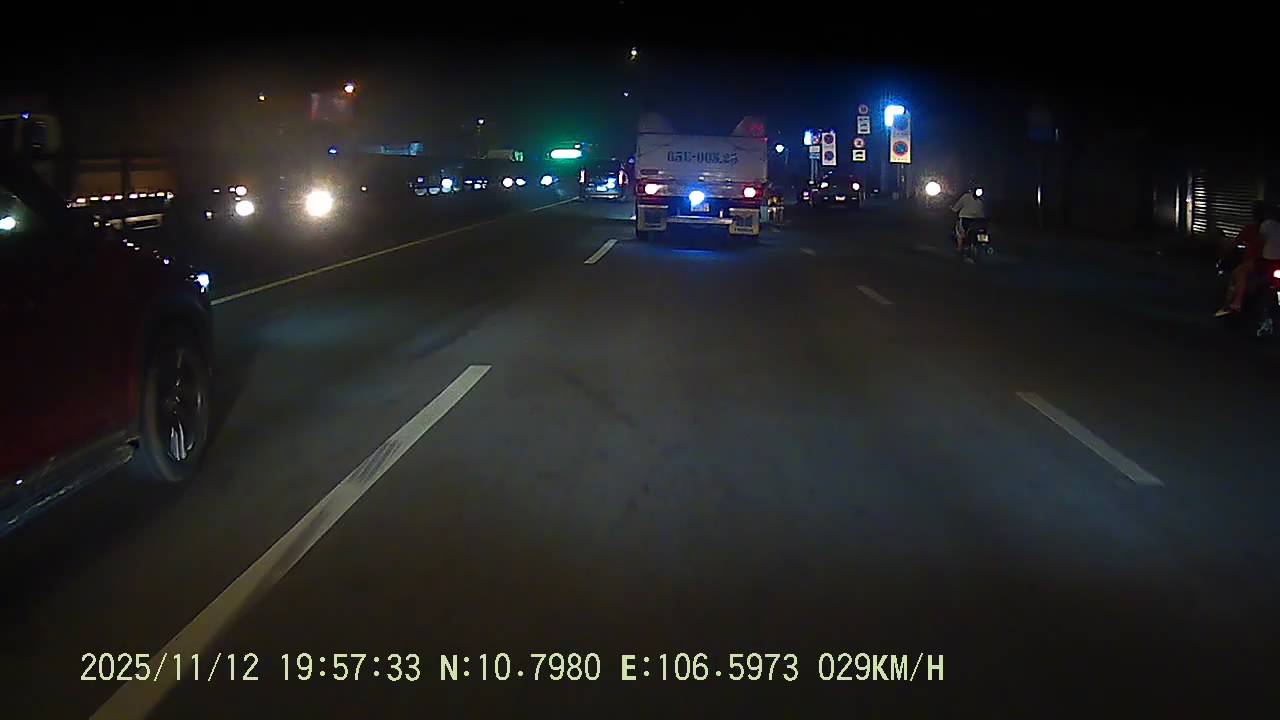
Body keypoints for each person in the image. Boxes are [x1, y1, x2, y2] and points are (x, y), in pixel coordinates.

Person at [1215, 201, 1266, 317]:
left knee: (1238, 274)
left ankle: (1235, 303)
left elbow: (1235, 243)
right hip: (1267, 262)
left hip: (1257, 262)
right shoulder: (1269, 228)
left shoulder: (1253, 228)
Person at [951, 185, 987, 253]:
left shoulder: (966, 197)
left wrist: (953, 209)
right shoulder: (981, 200)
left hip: (966, 219)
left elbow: (956, 207)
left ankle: (959, 248)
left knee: (960, 234)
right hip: (978, 220)